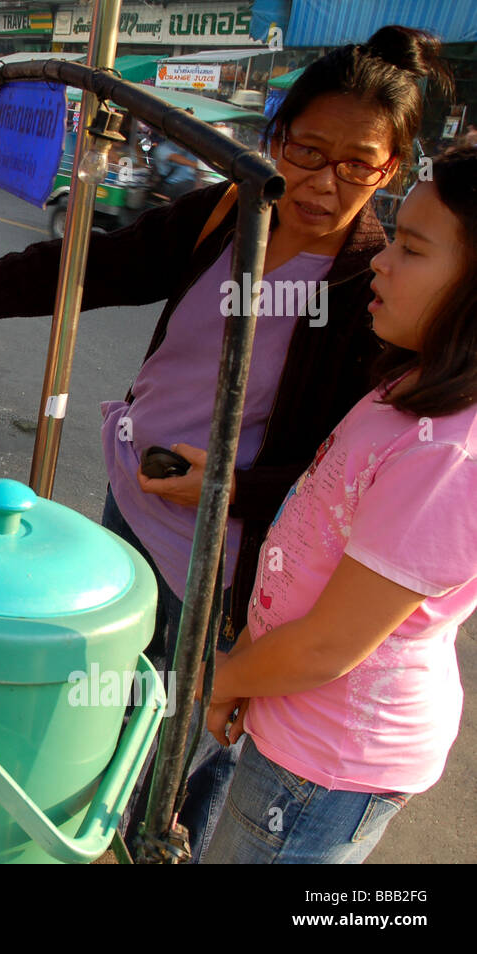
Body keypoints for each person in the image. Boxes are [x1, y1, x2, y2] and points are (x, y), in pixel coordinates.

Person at [0, 26, 449, 853]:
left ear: (393, 169)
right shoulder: (227, 216)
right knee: (105, 696)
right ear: (274, 139)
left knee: (171, 723)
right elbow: (86, 266)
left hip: (229, 559)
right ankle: (79, 816)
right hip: (134, 508)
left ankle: (126, 831)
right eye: (307, 151)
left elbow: (348, 477)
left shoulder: (368, 289)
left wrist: (233, 486)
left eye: (359, 164)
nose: (324, 182)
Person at [201, 144, 477, 863]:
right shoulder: (408, 387)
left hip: (326, 771)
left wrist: (224, 678)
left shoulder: (448, 455)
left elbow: (329, 644)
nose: (382, 260)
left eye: (412, 250)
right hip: (297, 723)